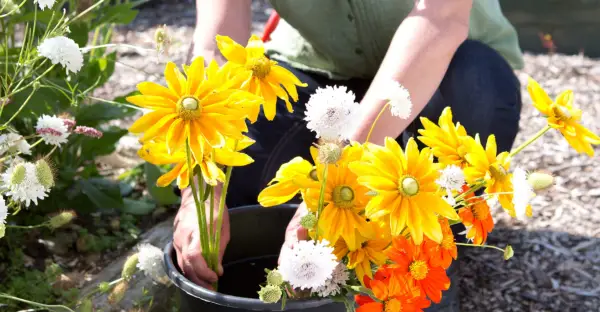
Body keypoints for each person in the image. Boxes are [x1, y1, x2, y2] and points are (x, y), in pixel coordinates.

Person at [175, 0, 523, 289]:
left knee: (477, 94)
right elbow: (215, 47)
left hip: (447, 68)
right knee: (242, 183)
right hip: (319, 72)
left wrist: (335, 180)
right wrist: (204, 186)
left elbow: (441, 18)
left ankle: (420, 257)